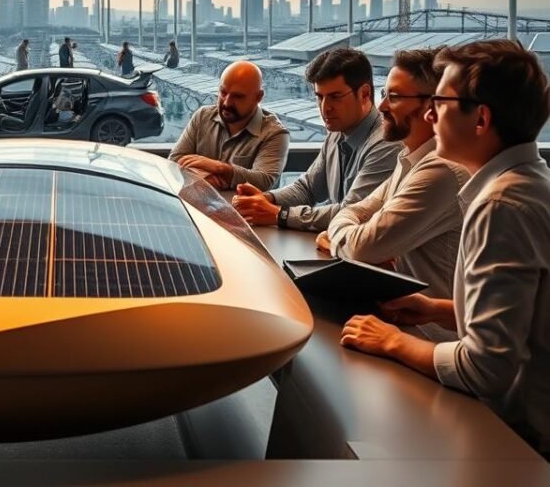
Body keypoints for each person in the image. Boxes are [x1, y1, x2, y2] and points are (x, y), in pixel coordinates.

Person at [340, 40, 550, 456]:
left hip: (518, 443)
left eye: (441, 102)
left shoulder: (501, 206)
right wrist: (436, 308)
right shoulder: (530, 182)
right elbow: (527, 314)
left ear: (481, 119)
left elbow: (484, 367)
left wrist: (391, 341)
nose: (430, 115)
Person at [316, 48, 468, 299]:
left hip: (426, 329)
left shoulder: (442, 170)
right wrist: (353, 239)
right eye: (384, 93)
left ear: (433, 106)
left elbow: (363, 247)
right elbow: (354, 211)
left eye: (394, 97)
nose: (382, 105)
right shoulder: (409, 159)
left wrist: (336, 242)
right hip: (399, 310)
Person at [233, 47, 399, 232]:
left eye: (335, 97)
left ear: (365, 94)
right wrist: (266, 199)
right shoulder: (337, 132)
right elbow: (308, 188)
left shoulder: (386, 144)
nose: (325, 108)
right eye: (319, 97)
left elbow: (352, 214)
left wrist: (278, 214)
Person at [168, 61, 289, 191]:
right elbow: (174, 161)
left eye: (238, 96)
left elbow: (263, 180)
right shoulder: (203, 116)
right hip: (194, 204)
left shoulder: (275, 133)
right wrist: (203, 179)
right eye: (223, 92)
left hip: (240, 209)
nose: (227, 102)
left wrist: (221, 168)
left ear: (258, 97)